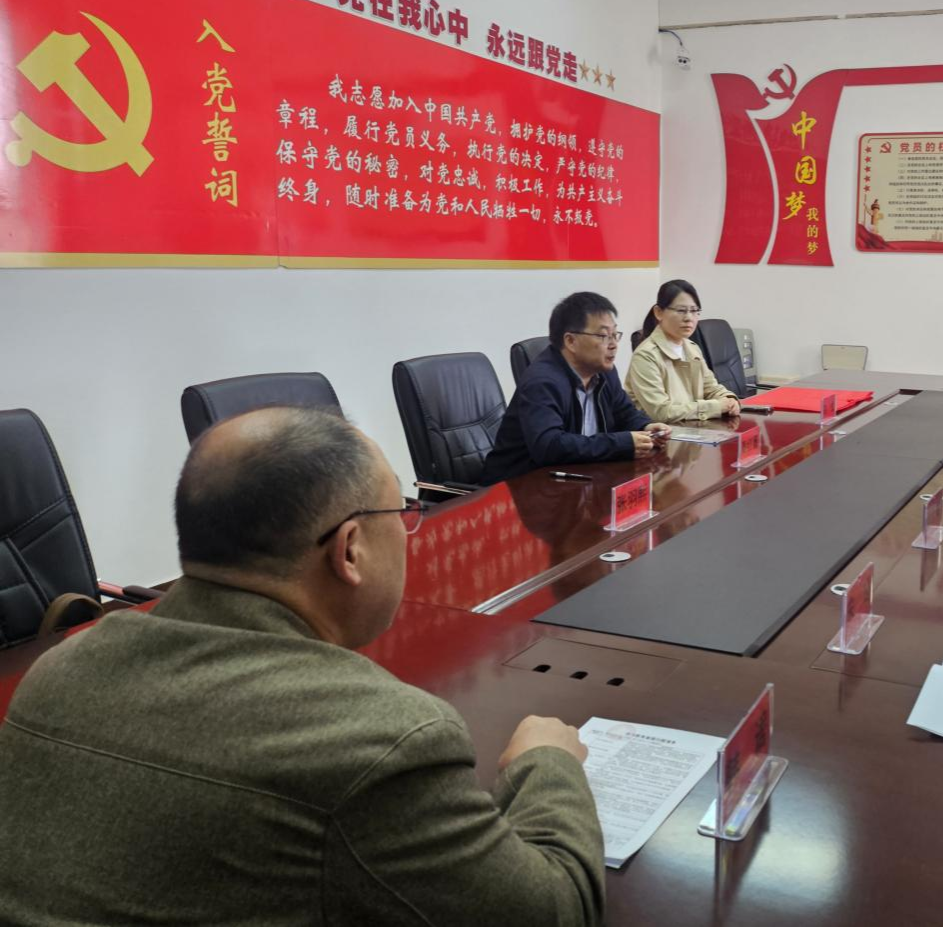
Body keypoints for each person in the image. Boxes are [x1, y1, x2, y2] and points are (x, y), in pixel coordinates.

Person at [0, 407, 605, 924]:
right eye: (402, 513)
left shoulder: (57, 672)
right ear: (350, 550)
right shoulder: (380, 740)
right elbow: (551, 910)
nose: (408, 531)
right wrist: (546, 764)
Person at [479, 290, 671, 485]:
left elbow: (624, 412)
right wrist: (621, 444)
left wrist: (645, 426)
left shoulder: (604, 372)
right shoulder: (542, 381)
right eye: (603, 336)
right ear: (571, 341)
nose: (613, 345)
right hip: (518, 487)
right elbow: (549, 446)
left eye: (615, 335)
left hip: (575, 478)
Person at [625, 279, 740, 423]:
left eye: (694, 311)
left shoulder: (692, 348)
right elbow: (662, 413)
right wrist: (716, 407)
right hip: (660, 434)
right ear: (659, 312)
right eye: (681, 311)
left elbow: (711, 388)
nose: (688, 318)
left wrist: (729, 399)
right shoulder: (646, 355)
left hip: (694, 431)